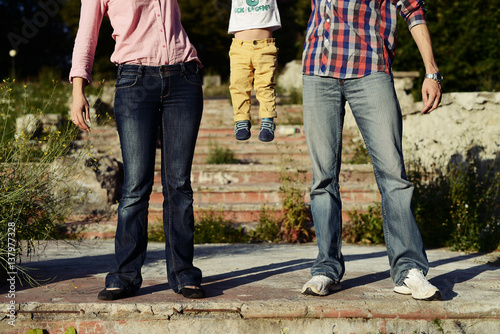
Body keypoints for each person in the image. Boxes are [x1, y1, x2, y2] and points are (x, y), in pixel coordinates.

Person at [301, 0, 443, 301]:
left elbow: (413, 10)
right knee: (322, 178)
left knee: (394, 174)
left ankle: (409, 269)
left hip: (369, 68)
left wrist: (431, 72)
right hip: (317, 69)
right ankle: (326, 267)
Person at [70, 0, 205, 300]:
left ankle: (184, 274)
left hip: (184, 78)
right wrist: (78, 89)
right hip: (134, 83)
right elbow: (86, 34)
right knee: (135, 185)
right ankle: (126, 275)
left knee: (179, 185)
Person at [228, 0, 281, 142]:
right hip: (240, 48)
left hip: (265, 46)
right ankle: (241, 119)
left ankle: (268, 119)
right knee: (238, 85)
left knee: (265, 85)